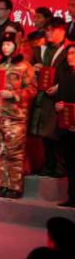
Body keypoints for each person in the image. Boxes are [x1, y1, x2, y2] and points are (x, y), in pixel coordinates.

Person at [0, 32, 38, 199]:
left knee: (14, 153)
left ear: (16, 46)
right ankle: (4, 186)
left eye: (9, 44)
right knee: (0, 152)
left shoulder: (24, 66)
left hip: (15, 116)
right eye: (3, 44)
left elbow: (32, 89)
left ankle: (15, 187)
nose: (5, 47)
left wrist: (13, 94)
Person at [30, 17, 71, 178]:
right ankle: (48, 165)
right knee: (44, 133)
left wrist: (59, 87)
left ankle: (60, 167)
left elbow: (71, 73)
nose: (48, 33)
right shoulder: (40, 49)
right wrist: (34, 68)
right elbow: (30, 70)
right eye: (47, 30)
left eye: (52, 30)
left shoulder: (69, 50)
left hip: (61, 96)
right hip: (42, 96)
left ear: (62, 31)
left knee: (58, 133)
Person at [54, 47, 75, 207]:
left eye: (74, 53)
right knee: (70, 162)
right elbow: (59, 99)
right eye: (69, 53)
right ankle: (72, 197)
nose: (70, 56)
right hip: (66, 125)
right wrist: (57, 106)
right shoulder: (64, 75)